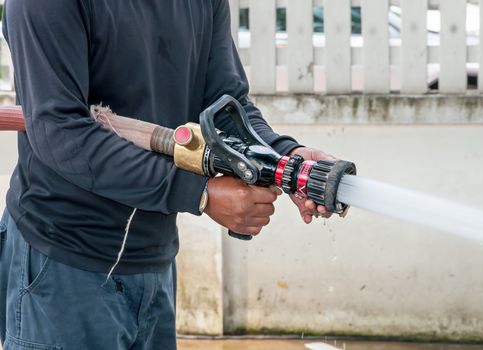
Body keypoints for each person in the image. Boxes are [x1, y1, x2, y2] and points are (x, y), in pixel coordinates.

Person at [0, 0, 338, 349]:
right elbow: (61, 133)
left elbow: (225, 107)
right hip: (63, 263)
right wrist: (198, 194)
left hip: (152, 260)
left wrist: (288, 160)